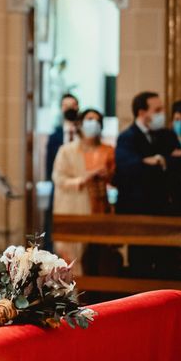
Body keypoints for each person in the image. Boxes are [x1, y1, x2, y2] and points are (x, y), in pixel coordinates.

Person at [114, 91, 181, 278]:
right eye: (157, 109)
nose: (162, 113)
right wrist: (166, 163)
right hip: (139, 214)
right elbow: (130, 169)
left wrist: (157, 160)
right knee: (141, 268)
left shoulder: (167, 135)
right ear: (142, 112)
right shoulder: (127, 137)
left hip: (167, 211)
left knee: (168, 267)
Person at [52, 109, 120, 275]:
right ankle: (73, 297)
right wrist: (83, 179)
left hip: (99, 209)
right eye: (89, 119)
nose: (93, 123)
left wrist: (108, 176)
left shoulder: (107, 150)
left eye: (97, 120)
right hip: (73, 207)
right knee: (72, 261)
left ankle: (95, 296)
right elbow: (59, 178)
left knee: (97, 259)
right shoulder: (67, 151)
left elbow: (116, 178)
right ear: (80, 124)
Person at [43, 93, 79, 251]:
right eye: (66, 105)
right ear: (61, 109)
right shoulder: (54, 137)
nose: (69, 108)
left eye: (73, 105)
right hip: (59, 189)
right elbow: (49, 167)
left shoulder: (84, 135)